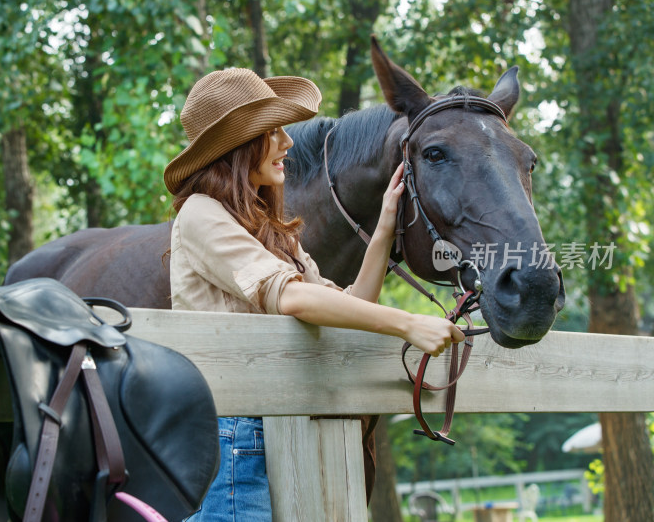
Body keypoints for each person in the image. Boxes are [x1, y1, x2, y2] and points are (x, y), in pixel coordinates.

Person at [164, 68, 464, 521]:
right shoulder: (201, 214)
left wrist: (384, 226)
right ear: (240, 144)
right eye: (273, 131)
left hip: (286, 426)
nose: (287, 142)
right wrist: (410, 323)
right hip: (238, 434)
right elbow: (291, 299)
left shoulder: (269, 233)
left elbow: (347, 303)